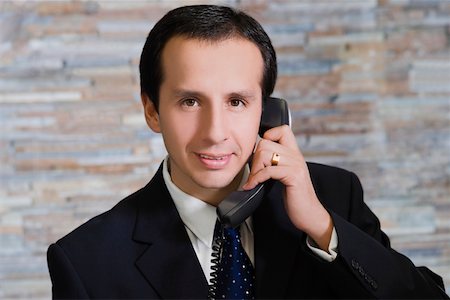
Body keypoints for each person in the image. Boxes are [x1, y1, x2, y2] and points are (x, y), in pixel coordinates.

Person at [47, 4, 448, 299]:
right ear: (152, 110)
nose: (215, 132)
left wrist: (323, 227)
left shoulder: (334, 197)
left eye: (236, 101)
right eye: (190, 101)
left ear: (267, 113)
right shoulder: (86, 261)